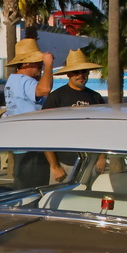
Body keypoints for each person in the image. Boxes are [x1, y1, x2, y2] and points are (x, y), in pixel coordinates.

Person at [43, 49, 105, 182]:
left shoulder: (96, 97)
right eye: (76, 72)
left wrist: (101, 157)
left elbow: (103, 128)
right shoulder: (56, 97)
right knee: (57, 201)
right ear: (68, 74)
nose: (80, 75)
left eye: (84, 71)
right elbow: (45, 131)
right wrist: (54, 166)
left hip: (90, 163)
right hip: (64, 164)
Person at [3, 39, 54, 116]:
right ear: (26, 63)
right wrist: (48, 65)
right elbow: (45, 89)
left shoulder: (12, 80)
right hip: (28, 125)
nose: (41, 65)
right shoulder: (25, 81)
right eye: (38, 62)